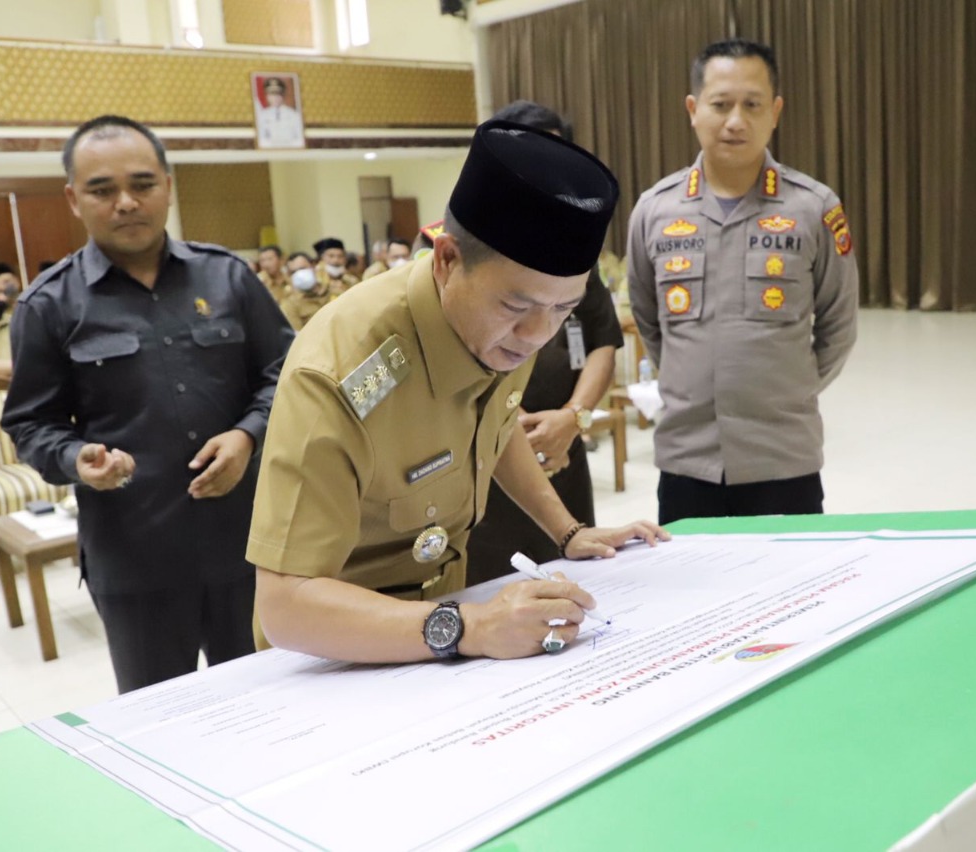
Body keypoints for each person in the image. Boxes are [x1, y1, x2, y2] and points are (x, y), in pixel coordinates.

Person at [247, 119, 667, 663]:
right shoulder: (341, 371)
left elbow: (495, 423)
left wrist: (567, 532)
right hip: (330, 654)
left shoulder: (497, 327)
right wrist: (468, 627)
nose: (536, 336)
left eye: (562, 310)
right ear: (446, 260)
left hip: (437, 625)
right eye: (517, 308)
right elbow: (286, 606)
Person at [1, 114, 295, 693]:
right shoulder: (49, 305)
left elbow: (288, 373)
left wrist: (248, 434)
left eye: (142, 184)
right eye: (102, 190)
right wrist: (75, 457)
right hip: (138, 561)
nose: (126, 203)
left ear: (168, 184)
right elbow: (31, 423)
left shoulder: (229, 276)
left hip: (250, 544)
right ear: (73, 198)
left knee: (275, 700)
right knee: (162, 722)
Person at [628, 38, 859, 525]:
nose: (736, 120)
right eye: (720, 104)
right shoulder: (654, 210)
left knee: (795, 595)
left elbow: (839, 324)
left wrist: (787, 389)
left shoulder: (814, 208)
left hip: (783, 460)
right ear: (693, 109)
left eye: (752, 105)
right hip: (687, 462)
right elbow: (649, 320)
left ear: (775, 111)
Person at [453, 101, 624, 586]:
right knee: (489, 592)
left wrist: (574, 418)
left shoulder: (577, 253)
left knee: (576, 580)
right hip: (483, 457)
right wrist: (508, 429)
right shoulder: (465, 247)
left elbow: (602, 343)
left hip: (562, 444)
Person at [281, 250, 333, 331]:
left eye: (302, 269)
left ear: (313, 266)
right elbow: (298, 337)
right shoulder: (290, 305)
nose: (299, 274)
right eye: (293, 272)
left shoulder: (334, 291)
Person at [254, 77, 304, 149]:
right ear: (267, 96)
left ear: (283, 95)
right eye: (272, 94)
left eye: (278, 94)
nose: (275, 98)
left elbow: (300, 139)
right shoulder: (262, 116)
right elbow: (261, 139)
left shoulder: (294, 115)